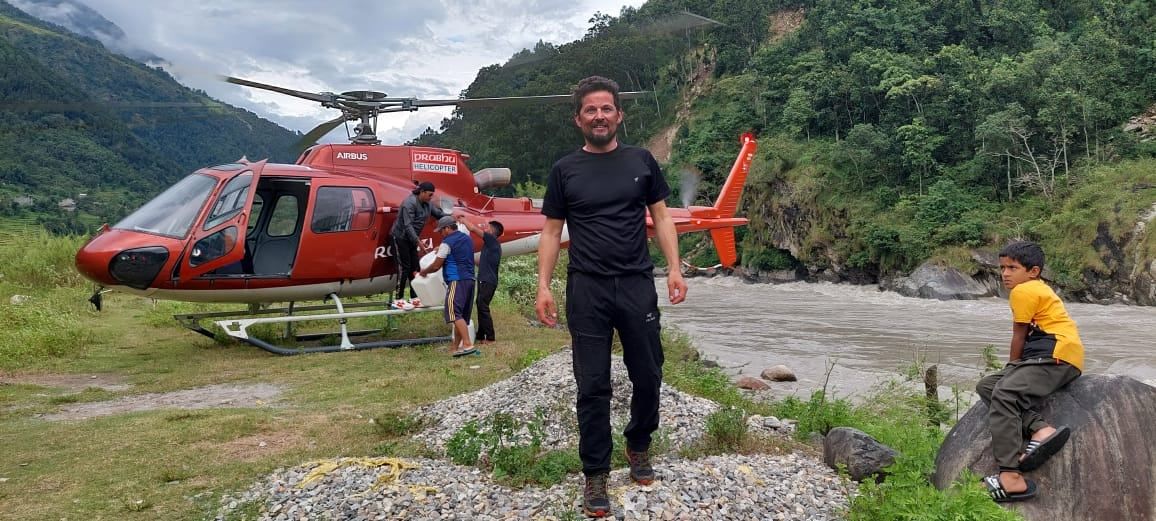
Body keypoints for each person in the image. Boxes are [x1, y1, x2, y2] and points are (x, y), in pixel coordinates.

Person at [535, 75, 687, 518]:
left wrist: (675, 268)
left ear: (619, 115)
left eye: (606, 109)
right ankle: (596, 473)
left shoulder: (641, 161)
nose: (598, 116)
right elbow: (551, 231)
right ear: (578, 119)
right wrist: (543, 285)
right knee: (592, 384)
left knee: (649, 373)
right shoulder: (564, 170)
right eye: (590, 110)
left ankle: (638, 443)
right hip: (587, 288)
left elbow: (662, 217)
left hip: (636, 283)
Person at [976, 240, 1083, 503]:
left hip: (1055, 355)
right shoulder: (1035, 288)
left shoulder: (1024, 290)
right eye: (1002, 268)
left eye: (1012, 268)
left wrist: (1012, 367)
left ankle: (1010, 476)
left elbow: (1019, 335)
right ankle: (1040, 429)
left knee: (1005, 392)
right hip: (1049, 357)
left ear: (1033, 271)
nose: (1005, 274)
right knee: (987, 386)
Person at [417, 216, 477, 357]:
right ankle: (455, 347)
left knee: (454, 313)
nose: (440, 234)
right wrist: (441, 248)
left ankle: (467, 344)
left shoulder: (447, 243)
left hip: (456, 280)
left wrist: (424, 272)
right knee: (461, 317)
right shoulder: (467, 238)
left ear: (448, 228)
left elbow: (436, 265)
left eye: (441, 231)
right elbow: (457, 251)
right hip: (470, 280)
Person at [390, 181, 447, 303]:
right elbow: (408, 225)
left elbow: (439, 214)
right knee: (404, 268)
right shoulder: (409, 203)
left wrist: (451, 219)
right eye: (430, 195)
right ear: (422, 192)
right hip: (400, 238)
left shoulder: (428, 204)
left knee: (415, 267)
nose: (431, 197)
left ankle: (414, 296)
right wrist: (418, 242)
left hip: (413, 239)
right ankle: (398, 299)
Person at [458, 216, 505, 344]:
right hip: (484, 280)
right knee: (480, 305)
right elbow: (481, 262)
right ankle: (480, 335)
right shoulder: (490, 246)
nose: (485, 229)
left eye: (487, 227)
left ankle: (490, 337)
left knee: (483, 306)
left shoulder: (491, 240)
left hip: (487, 281)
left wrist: (463, 220)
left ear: (492, 231)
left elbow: (473, 228)